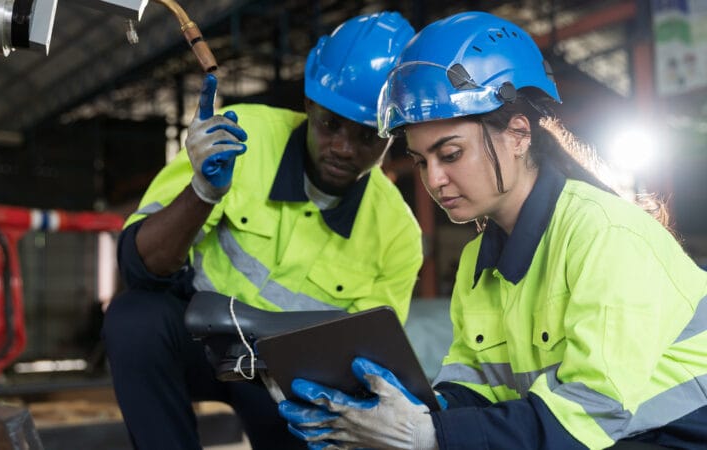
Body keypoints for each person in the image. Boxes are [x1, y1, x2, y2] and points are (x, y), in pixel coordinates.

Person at [278, 11, 707, 450]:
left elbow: (590, 412)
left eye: (450, 153)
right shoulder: (479, 264)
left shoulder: (606, 234)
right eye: (422, 160)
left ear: (519, 135)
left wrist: (432, 436)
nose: (434, 179)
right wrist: (398, 413)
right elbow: (478, 384)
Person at [101, 11, 421, 450]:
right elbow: (141, 268)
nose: (344, 148)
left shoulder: (397, 233)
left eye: (368, 137)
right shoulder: (241, 136)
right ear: (309, 104)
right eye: (331, 125)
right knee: (135, 320)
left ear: (393, 136)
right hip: (200, 341)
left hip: (292, 381)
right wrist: (202, 192)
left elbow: (361, 360)